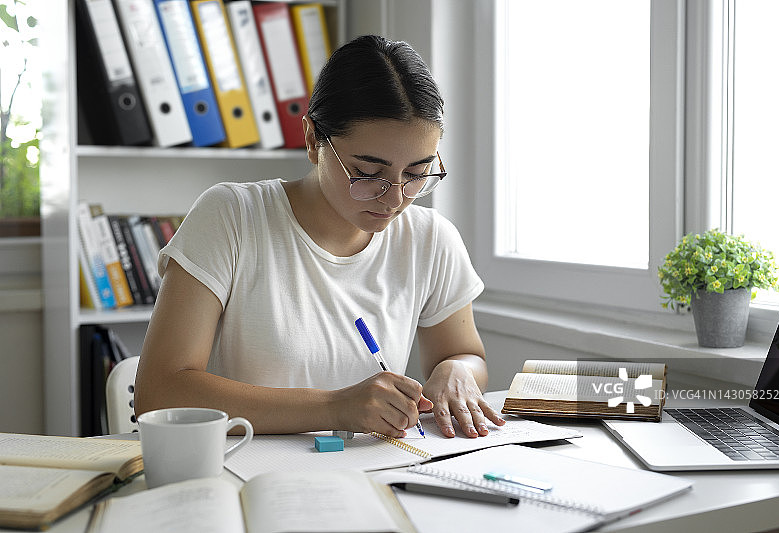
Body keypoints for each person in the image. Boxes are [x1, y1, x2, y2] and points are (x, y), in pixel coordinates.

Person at [134, 34, 505, 439]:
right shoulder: (232, 216)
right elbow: (160, 392)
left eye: (417, 173)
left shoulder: (430, 238)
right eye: (368, 173)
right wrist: (335, 408)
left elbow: (465, 355)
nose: (396, 198)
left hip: (371, 467)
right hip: (247, 463)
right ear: (313, 140)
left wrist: (456, 370)